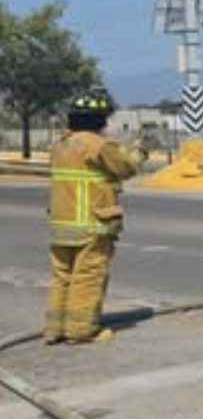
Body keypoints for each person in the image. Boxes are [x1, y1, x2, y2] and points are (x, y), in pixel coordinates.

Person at [44, 88, 148, 345]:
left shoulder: (60, 145)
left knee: (63, 276)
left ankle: (54, 328)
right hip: (91, 224)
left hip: (61, 225)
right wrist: (138, 152)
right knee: (88, 276)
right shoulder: (98, 145)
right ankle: (80, 331)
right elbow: (125, 167)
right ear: (99, 120)